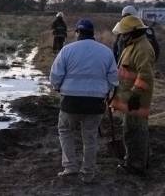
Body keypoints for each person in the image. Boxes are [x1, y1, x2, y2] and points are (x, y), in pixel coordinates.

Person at [50, 19, 118, 183]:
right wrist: (105, 91)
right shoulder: (106, 51)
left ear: (78, 33)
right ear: (92, 34)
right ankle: (88, 173)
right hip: (95, 103)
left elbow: (56, 75)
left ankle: (70, 167)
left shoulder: (67, 50)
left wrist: (57, 87)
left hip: (71, 101)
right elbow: (114, 79)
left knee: (65, 131)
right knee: (90, 137)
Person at [110, 14, 155, 177]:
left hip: (136, 100)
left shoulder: (142, 48)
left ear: (133, 32)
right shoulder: (132, 45)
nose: (121, 36)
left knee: (134, 132)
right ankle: (141, 160)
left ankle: (135, 165)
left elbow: (146, 76)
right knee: (133, 130)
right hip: (129, 98)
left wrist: (135, 95)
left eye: (124, 33)